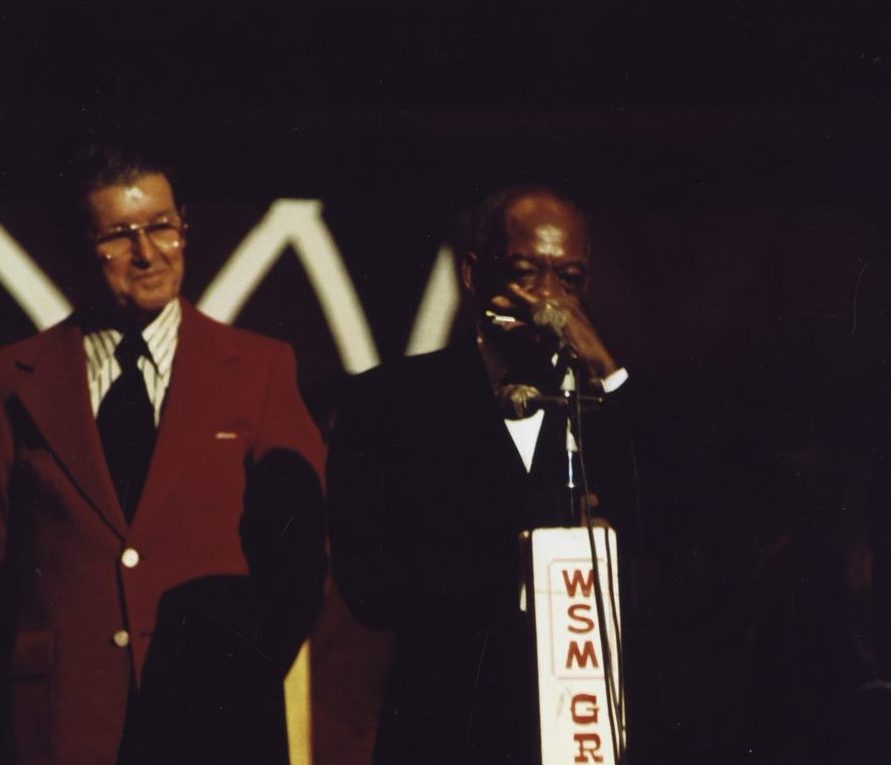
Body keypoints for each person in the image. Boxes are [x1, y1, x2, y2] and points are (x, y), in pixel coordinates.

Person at [0, 145, 326, 765]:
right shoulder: (15, 379)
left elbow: (303, 560)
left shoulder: (259, 368)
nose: (146, 253)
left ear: (184, 230)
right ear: (80, 246)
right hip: (63, 720)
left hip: (215, 719)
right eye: (120, 235)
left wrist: (242, 675)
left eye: (161, 227)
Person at [327, 186, 655, 764]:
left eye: (570, 280)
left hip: (585, 738)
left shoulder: (607, 407)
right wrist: (531, 568)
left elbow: (680, 541)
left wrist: (605, 365)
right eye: (528, 274)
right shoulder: (387, 404)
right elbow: (369, 588)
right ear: (475, 274)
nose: (550, 301)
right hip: (451, 732)